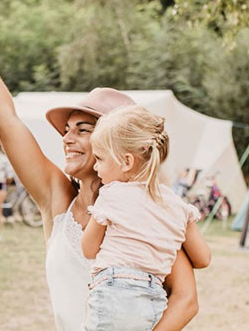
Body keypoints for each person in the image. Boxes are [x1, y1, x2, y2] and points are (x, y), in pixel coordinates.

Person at [0, 0, 200, 330]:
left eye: (83, 129)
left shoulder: (147, 212)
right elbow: (6, 119)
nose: (67, 138)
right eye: (66, 129)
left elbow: (186, 299)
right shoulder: (57, 198)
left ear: (118, 148)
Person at [81, 105, 211, 330]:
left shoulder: (112, 194)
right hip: (153, 299)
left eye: (100, 159)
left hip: (113, 292)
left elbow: (88, 249)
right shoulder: (177, 206)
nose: (95, 166)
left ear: (127, 161)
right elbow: (203, 258)